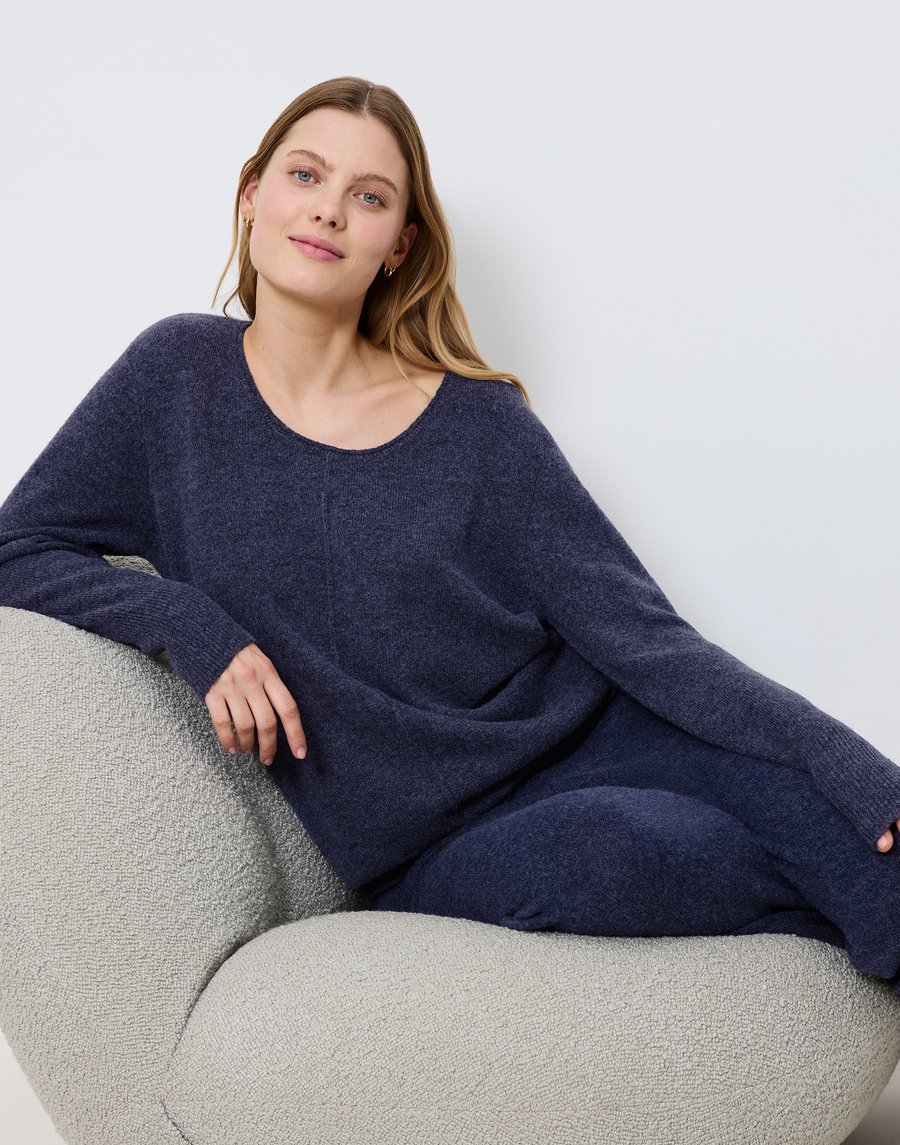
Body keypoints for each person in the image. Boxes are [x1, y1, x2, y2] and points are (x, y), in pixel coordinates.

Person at [2, 76, 900, 990]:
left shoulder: (480, 424)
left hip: (616, 743)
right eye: (305, 175)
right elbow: (16, 548)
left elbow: (648, 641)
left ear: (399, 245)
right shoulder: (173, 380)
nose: (329, 211)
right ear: (252, 194)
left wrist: (850, 765)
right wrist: (189, 624)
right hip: (435, 847)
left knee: (862, 831)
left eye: (369, 197)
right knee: (617, 853)